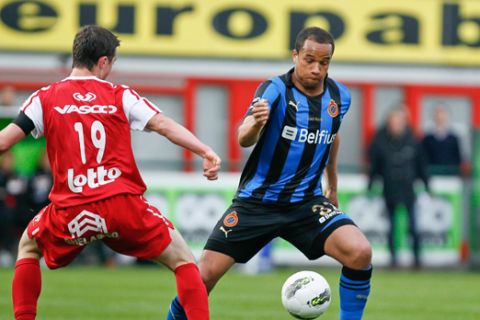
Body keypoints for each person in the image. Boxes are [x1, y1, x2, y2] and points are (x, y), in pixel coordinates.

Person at [4, 25, 221, 320]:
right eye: (112, 62)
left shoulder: (44, 97)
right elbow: (163, 125)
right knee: (184, 261)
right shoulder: (120, 95)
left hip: (72, 210)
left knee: (28, 248)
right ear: (104, 61)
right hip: (122, 206)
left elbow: (5, 141)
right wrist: (205, 151)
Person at [167, 26, 372, 320]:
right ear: (295, 55)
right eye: (309, 60)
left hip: (306, 204)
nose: (316, 69)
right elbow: (243, 137)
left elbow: (332, 136)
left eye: (323, 63)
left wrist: (333, 186)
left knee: (360, 252)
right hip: (257, 203)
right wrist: (256, 123)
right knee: (202, 278)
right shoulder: (274, 89)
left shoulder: (340, 96)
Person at [367, 106, 430, 268]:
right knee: (391, 227)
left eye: (398, 121)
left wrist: (427, 187)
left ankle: (417, 260)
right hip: (390, 189)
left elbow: (421, 165)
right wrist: (370, 185)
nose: (395, 125)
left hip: (408, 189)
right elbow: (374, 166)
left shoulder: (413, 140)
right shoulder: (380, 140)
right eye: (393, 121)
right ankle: (393, 259)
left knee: (413, 226)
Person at [422, 105, 462, 175]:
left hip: (450, 176)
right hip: (432, 175)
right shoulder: (427, 139)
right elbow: (423, 158)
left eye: (442, 114)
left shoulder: (454, 138)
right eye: (437, 114)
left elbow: (458, 159)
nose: (440, 117)